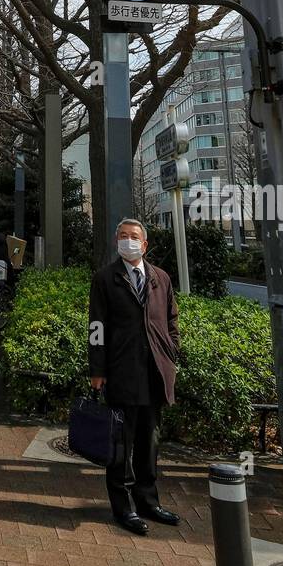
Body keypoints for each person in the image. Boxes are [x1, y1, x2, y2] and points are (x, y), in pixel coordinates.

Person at [88, 219, 181, 536]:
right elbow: (96, 328)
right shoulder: (105, 279)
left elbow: (171, 321)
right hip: (121, 372)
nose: (129, 241)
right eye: (123, 236)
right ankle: (123, 507)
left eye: (135, 237)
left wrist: (171, 355)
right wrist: (97, 370)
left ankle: (148, 502)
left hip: (155, 373)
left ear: (145, 244)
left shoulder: (161, 279)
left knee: (149, 443)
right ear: (116, 241)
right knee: (120, 445)